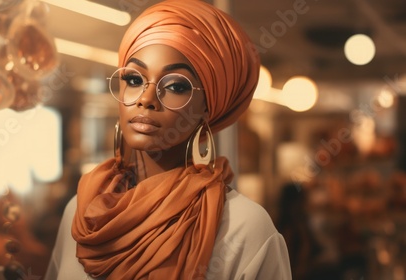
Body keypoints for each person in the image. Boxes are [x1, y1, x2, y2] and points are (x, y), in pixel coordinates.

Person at [45, 0, 291, 279]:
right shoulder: (82, 212)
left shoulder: (243, 228)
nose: (147, 100)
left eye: (175, 86)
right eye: (135, 80)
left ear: (208, 107)